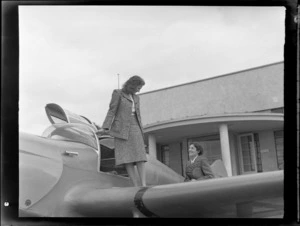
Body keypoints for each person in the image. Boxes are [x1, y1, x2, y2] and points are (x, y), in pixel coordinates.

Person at [98, 75, 147, 187]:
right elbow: (112, 111)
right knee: (127, 157)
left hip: (135, 127)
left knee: (140, 156)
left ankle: (144, 184)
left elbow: (138, 115)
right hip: (121, 129)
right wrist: (105, 127)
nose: (139, 90)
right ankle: (136, 185)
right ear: (133, 85)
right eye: (139, 87)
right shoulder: (118, 93)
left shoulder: (137, 98)